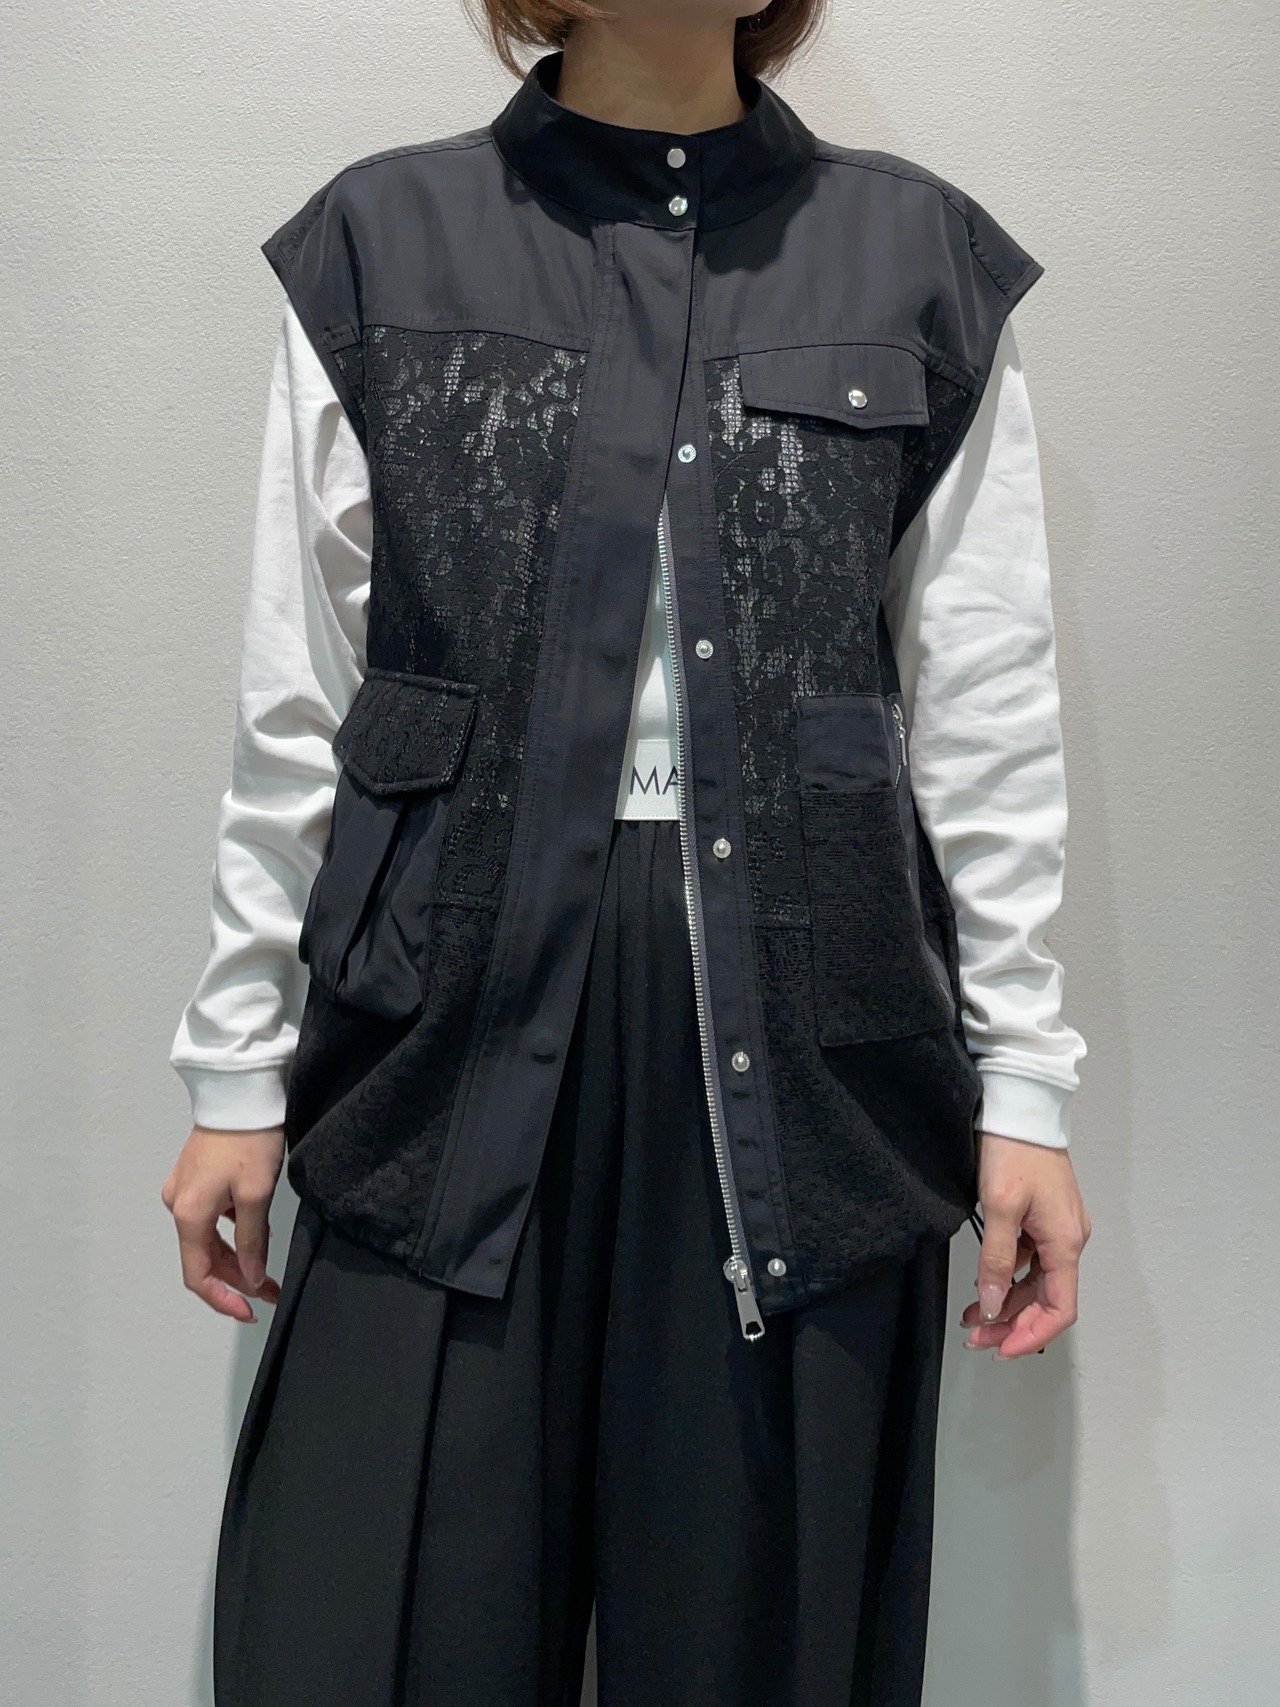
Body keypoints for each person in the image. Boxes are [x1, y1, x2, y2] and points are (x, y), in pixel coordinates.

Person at [163, 3, 1091, 1702]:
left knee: (761, 1630)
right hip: (442, 1030)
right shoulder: (381, 242)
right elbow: (297, 696)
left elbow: (983, 710)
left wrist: (1022, 1081)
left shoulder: (916, 263)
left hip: (809, 1052)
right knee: (375, 1621)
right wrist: (235, 1063)